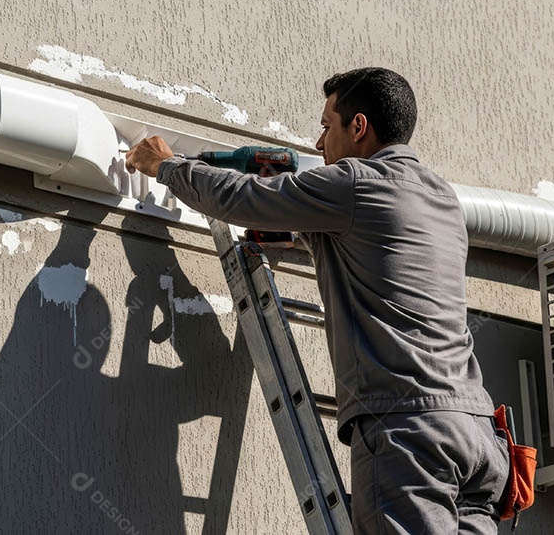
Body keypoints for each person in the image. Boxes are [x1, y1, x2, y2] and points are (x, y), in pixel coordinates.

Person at [125, 67, 510, 534]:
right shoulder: (441, 198)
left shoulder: (355, 182)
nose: (318, 142)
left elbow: (244, 196)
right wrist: (301, 230)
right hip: (478, 436)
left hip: (411, 436)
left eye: (327, 126)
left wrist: (167, 166)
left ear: (359, 126)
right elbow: (377, 250)